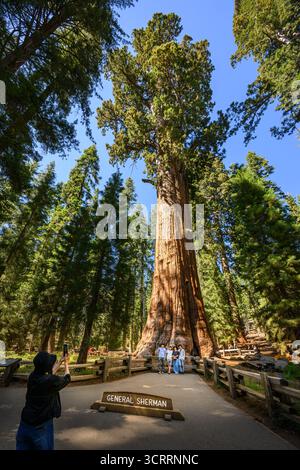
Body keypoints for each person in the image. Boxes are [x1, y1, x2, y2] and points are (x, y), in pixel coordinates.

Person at [16, 351, 71, 450]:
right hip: (41, 426)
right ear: (46, 367)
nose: (53, 363)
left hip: (25, 424)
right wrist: (66, 363)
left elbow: (48, 376)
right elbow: (67, 378)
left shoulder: (32, 376)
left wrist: (60, 362)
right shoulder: (50, 381)